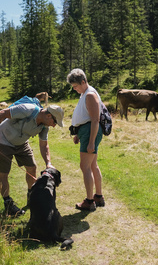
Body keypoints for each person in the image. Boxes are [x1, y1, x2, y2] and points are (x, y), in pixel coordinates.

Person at [0, 103, 64, 217]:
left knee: (32, 167)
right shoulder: (27, 110)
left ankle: (32, 198)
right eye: (55, 122)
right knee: (4, 173)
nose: (54, 125)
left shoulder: (45, 126)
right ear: (49, 116)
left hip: (21, 144)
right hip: (2, 141)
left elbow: (44, 145)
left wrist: (48, 163)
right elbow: (2, 113)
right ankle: (8, 204)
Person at [67, 68, 105, 211]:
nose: (75, 89)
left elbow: (95, 120)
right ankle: (98, 197)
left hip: (90, 132)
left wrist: (91, 142)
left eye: (76, 86)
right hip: (86, 131)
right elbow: (85, 116)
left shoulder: (90, 95)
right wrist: (77, 133)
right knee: (92, 165)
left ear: (83, 81)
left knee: (85, 166)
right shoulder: (85, 94)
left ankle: (89, 201)